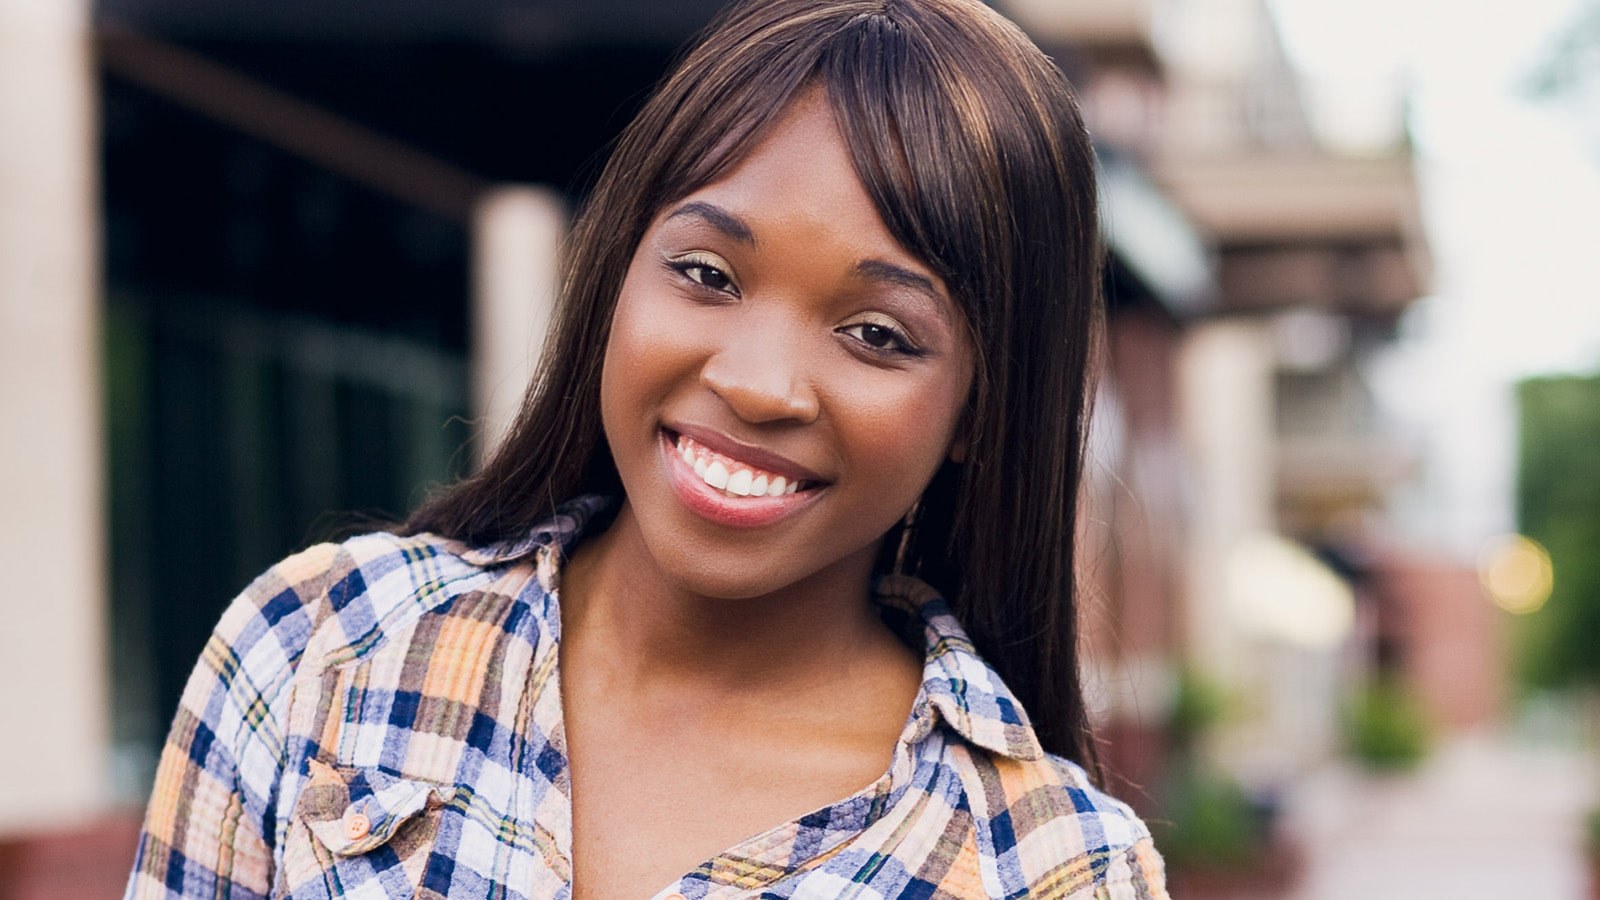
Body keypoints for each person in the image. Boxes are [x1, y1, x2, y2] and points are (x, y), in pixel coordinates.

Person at [125, 0, 1168, 896]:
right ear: (615, 271)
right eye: (707, 274)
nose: (756, 383)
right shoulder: (322, 645)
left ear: (982, 413)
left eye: (876, 335)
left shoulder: (1050, 866)